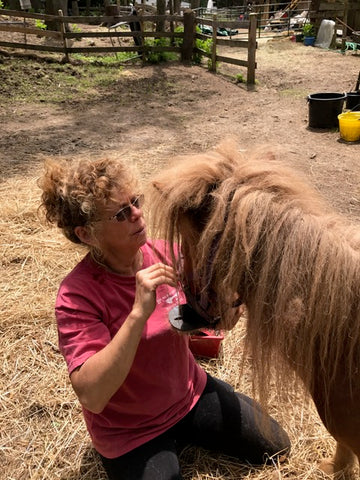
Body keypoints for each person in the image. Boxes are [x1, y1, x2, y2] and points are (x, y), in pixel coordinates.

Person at [38, 156, 291, 480]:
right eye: (121, 213)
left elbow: (204, 321)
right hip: (130, 431)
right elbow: (93, 395)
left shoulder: (165, 252)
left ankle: (187, 430)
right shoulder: (77, 296)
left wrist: (225, 307)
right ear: (87, 234)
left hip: (188, 394)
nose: (138, 215)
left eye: (136, 202)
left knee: (276, 446)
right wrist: (137, 315)